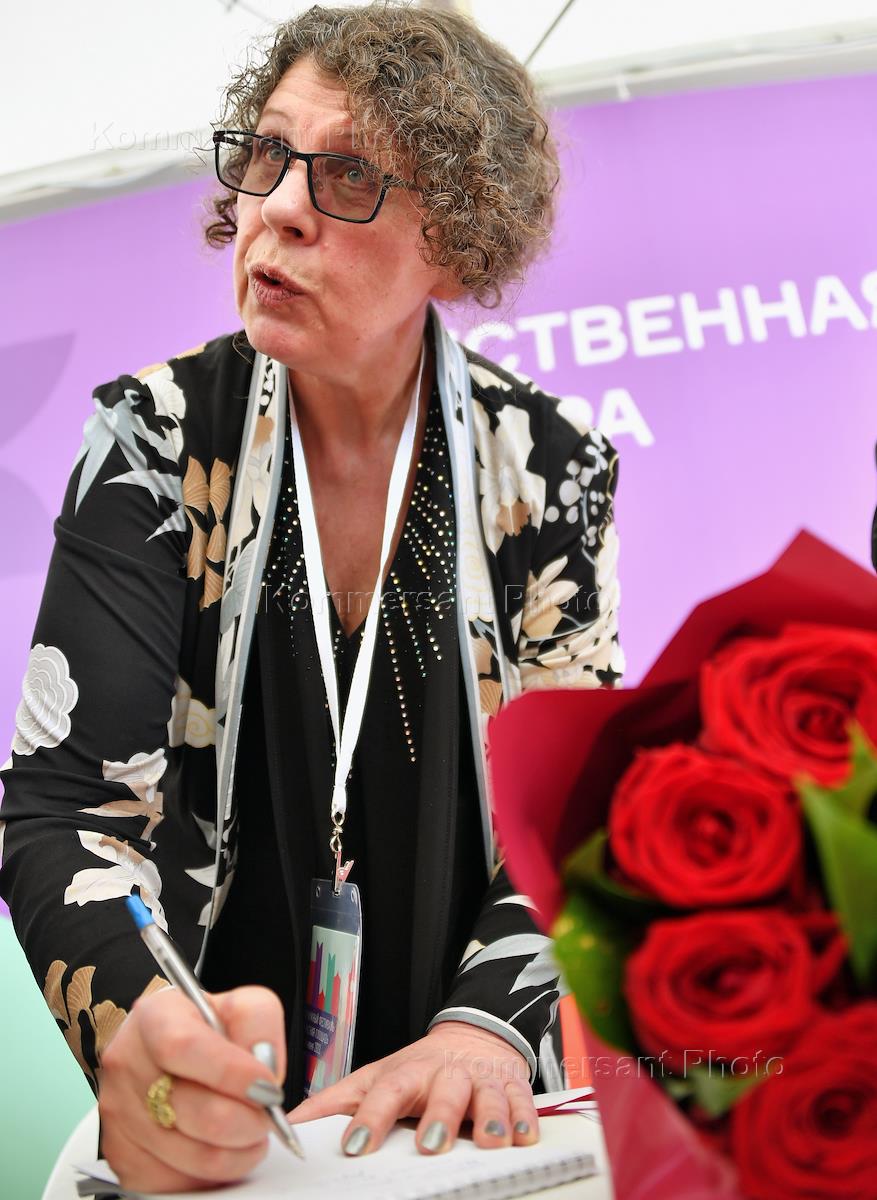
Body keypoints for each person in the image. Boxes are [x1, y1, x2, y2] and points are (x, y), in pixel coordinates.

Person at [0, 3, 623, 1192]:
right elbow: (67, 812)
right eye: (268, 155)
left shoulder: (550, 465)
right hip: (228, 1116)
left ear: (457, 237)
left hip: (455, 1123)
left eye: (346, 176)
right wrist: (149, 1036)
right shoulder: (153, 441)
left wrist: (485, 1033)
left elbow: (568, 812)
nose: (276, 206)